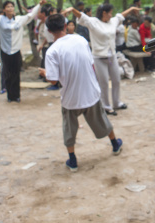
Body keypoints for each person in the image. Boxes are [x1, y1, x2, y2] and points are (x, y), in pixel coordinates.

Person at [38, 14, 123, 172]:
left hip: (70, 98)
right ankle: (115, 144)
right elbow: (91, 65)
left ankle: (73, 160)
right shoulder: (81, 40)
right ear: (65, 25)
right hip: (90, 93)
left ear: (49, 31)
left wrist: (45, 73)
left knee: (69, 128)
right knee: (102, 120)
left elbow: (53, 81)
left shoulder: (51, 52)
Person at [62, 4, 140, 115]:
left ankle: (117, 102)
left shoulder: (112, 21)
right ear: (104, 13)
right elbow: (82, 17)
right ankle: (106, 106)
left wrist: (131, 9)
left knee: (116, 80)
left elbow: (120, 16)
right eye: (110, 12)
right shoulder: (94, 22)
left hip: (112, 56)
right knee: (103, 83)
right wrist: (73, 10)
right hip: (99, 57)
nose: (111, 14)